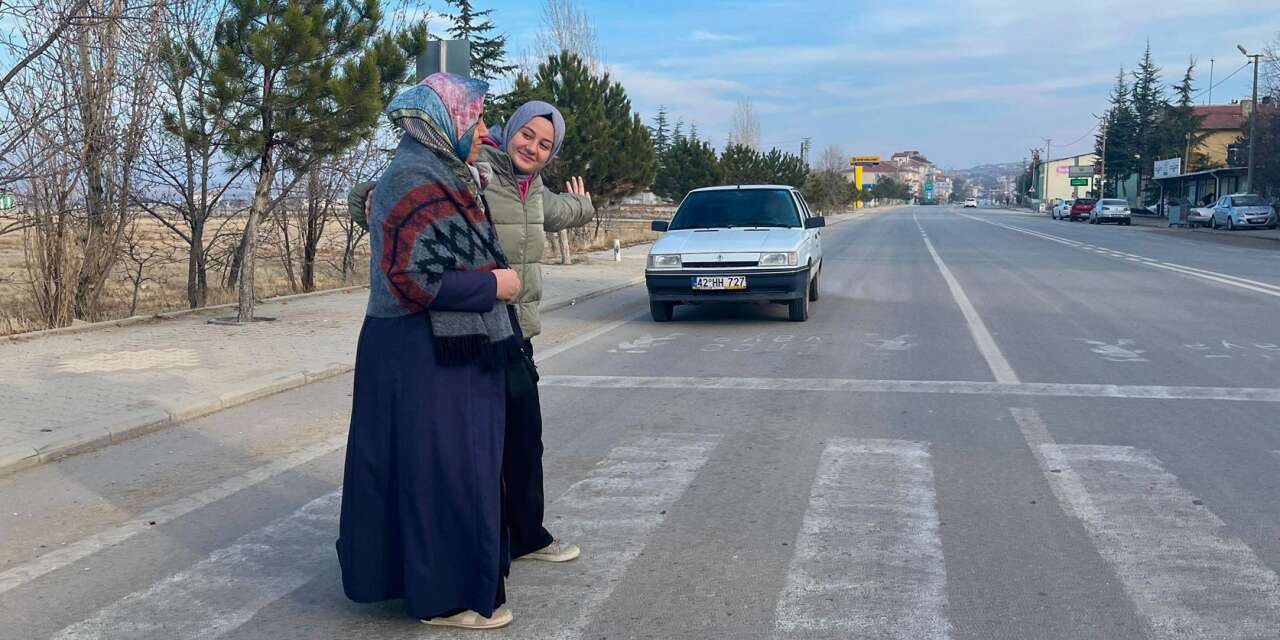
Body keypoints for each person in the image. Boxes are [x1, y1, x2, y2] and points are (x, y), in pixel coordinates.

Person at [335, 72, 525, 631]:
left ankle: (427, 582)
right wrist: (497, 286)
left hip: (448, 344)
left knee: (449, 469)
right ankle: (445, 598)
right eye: (479, 119)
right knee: (441, 473)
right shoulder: (413, 175)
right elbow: (412, 279)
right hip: (416, 348)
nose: (487, 130)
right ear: (447, 120)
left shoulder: (449, 172)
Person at [480, 101, 594, 563]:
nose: (533, 147)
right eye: (527, 135)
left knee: (525, 437)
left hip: (518, 333)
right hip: (474, 331)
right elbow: (418, 187)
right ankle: (486, 539)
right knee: (483, 442)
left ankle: (525, 535)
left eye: (545, 144)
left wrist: (584, 205)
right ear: (509, 130)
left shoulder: (533, 189)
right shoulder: (480, 171)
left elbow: (560, 211)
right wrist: (365, 196)